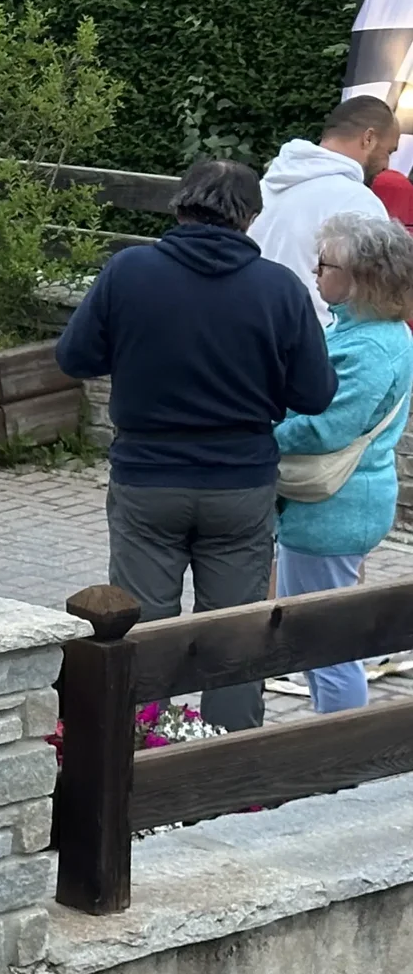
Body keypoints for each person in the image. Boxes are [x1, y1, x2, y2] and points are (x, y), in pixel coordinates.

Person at [55, 159, 337, 730]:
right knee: (234, 633)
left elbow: (74, 357)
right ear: (250, 219)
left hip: (148, 480)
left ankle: (138, 751)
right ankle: (231, 773)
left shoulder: (129, 272)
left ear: (179, 206)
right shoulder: (279, 288)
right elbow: (315, 393)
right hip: (240, 484)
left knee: (147, 631)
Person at [264, 216, 413, 712]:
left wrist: (258, 434)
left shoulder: (370, 347)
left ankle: (336, 758)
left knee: (325, 646)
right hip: (340, 502)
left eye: (325, 264)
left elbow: (324, 427)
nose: (315, 271)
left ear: (362, 278)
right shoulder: (366, 331)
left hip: (333, 508)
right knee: (320, 641)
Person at [250, 95, 395, 304]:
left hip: (256, 326)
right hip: (320, 333)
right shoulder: (359, 201)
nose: (387, 165)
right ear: (368, 139)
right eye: (389, 151)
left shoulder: (264, 187)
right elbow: (376, 295)